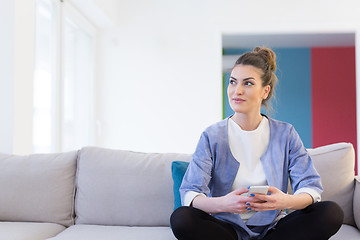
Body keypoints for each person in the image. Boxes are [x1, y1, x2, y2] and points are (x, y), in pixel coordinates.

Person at [170, 47, 344, 240]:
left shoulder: (285, 134)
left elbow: (310, 187)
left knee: (331, 212)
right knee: (181, 218)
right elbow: (191, 193)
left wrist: (285, 201)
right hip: (226, 228)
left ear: (265, 91)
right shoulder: (212, 135)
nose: (238, 91)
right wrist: (224, 204)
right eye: (233, 82)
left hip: (274, 228)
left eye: (248, 83)